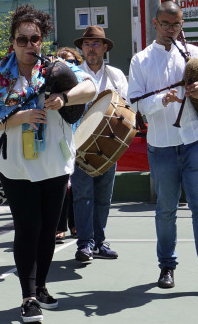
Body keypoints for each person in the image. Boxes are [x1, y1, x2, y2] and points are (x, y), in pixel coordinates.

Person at [0, 4, 97, 323]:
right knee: (27, 228)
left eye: (35, 38)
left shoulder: (56, 67)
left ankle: (42, 287)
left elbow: (90, 87)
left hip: (55, 161)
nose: (29, 45)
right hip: (16, 163)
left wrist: (65, 98)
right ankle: (28, 296)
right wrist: (19, 117)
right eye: (22, 39)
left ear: (42, 39)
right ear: (13, 41)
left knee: (48, 229)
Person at [128, 0, 198, 291]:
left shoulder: (194, 53)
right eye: (165, 24)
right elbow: (133, 100)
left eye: (176, 25)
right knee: (166, 209)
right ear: (155, 23)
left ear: (182, 24)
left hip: (193, 141)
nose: (171, 30)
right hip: (161, 145)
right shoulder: (141, 60)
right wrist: (159, 100)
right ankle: (167, 266)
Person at [71, 26, 129, 262]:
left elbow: (126, 108)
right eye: (87, 44)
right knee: (82, 195)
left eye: (96, 44)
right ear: (82, 48)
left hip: (108, 145)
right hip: (81, 146)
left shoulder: (116, 76)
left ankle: (99, 242)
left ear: (105, 48)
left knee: (104, 196)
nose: (91, 48)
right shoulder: (72, 74)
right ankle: (85, 244)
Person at [53, 47, 81, 244]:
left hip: (81, 137)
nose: (68, 64)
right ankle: (60, 226)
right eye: (62, 60)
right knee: (63, 186)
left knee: (77, 188)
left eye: (72, 61)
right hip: (59, 140)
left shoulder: (81, 82)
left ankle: (75, 223)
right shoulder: (53, 84)